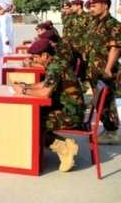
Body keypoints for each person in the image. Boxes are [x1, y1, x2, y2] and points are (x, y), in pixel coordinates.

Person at [12, 39, 84, 172]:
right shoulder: (55, 63)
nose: (34, 60)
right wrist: (26, 86)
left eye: (36, 57)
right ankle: (65, 144)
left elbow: (45, 93)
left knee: (32, 121)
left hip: (71, 114)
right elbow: (45, 84)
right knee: (33, 116)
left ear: (45, 55)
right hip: (67, 108)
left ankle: (64, 149)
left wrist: (23, 91)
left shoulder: (56, 66)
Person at [83, 0, 121, 144]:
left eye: (94, 6)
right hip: (94, 70)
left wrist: (108, 68)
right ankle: (107, 129)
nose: (91, 9)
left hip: (106, 71)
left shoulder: (113, 24)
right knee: (100, 102)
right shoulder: (95, 23)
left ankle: (113, 132)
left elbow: (116, 47)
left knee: (109, 101)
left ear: (105, 6)